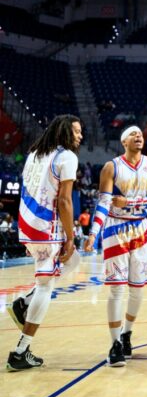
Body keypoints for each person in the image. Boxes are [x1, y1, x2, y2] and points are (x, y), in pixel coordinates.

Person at [84, 125, 147, 367]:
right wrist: (92, 235)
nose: (139, 136)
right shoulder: (111, 166)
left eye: (140, 134)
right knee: (117, 289)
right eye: (133, 134)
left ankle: (127, 333)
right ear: (123, 142)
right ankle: (115, 343)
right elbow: (104, 204)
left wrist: (128, 203)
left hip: (140, 230)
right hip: (114, 229)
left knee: (138, 289)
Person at [7, 114, 83, 371]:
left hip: (27, 225)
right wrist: (70, 236)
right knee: (45, 287)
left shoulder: (35, 154)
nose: (80, 136)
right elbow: (64, 201)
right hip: (46, 228)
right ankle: (20, 350)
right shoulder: (67, 157)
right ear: (64, 132)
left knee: (72, 262)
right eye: (76, 131)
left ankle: (24, 302)